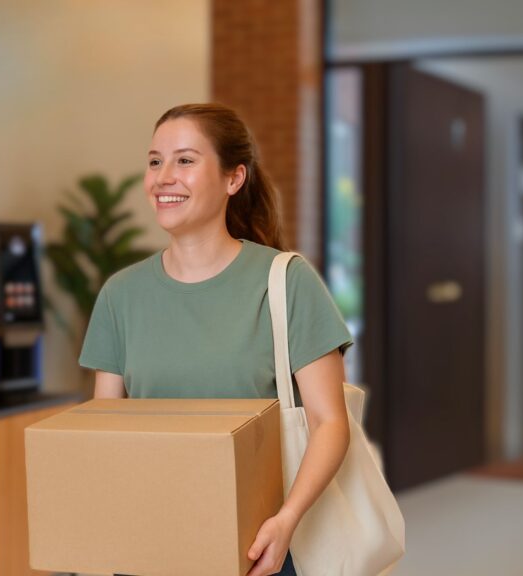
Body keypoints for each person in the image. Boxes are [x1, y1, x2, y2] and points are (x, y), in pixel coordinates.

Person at [79, 103, 353, 576]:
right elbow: (108, 434)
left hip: (257, 546)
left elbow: (330, 422)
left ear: (234, 178)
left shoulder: (285, 281)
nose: (164, 176)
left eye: (185, 160)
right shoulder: (120, 295)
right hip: (148, 542)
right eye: (154, 161)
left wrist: (286, 521)